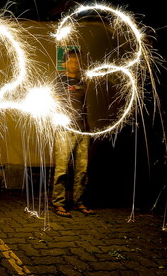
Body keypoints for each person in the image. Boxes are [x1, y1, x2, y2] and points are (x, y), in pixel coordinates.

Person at [52, 49, 95, 217]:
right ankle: (58, 203)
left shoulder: (83, 82)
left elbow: (84, 106)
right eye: (72, 60)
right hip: (64, 129)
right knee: (62, 169)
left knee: (82, 170)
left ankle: (79, 202)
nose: (76, 63)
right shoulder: (59, 81)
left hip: (82, 130)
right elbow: (53, 102)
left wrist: (88, 128)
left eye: (78, 60)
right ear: (65, 63)